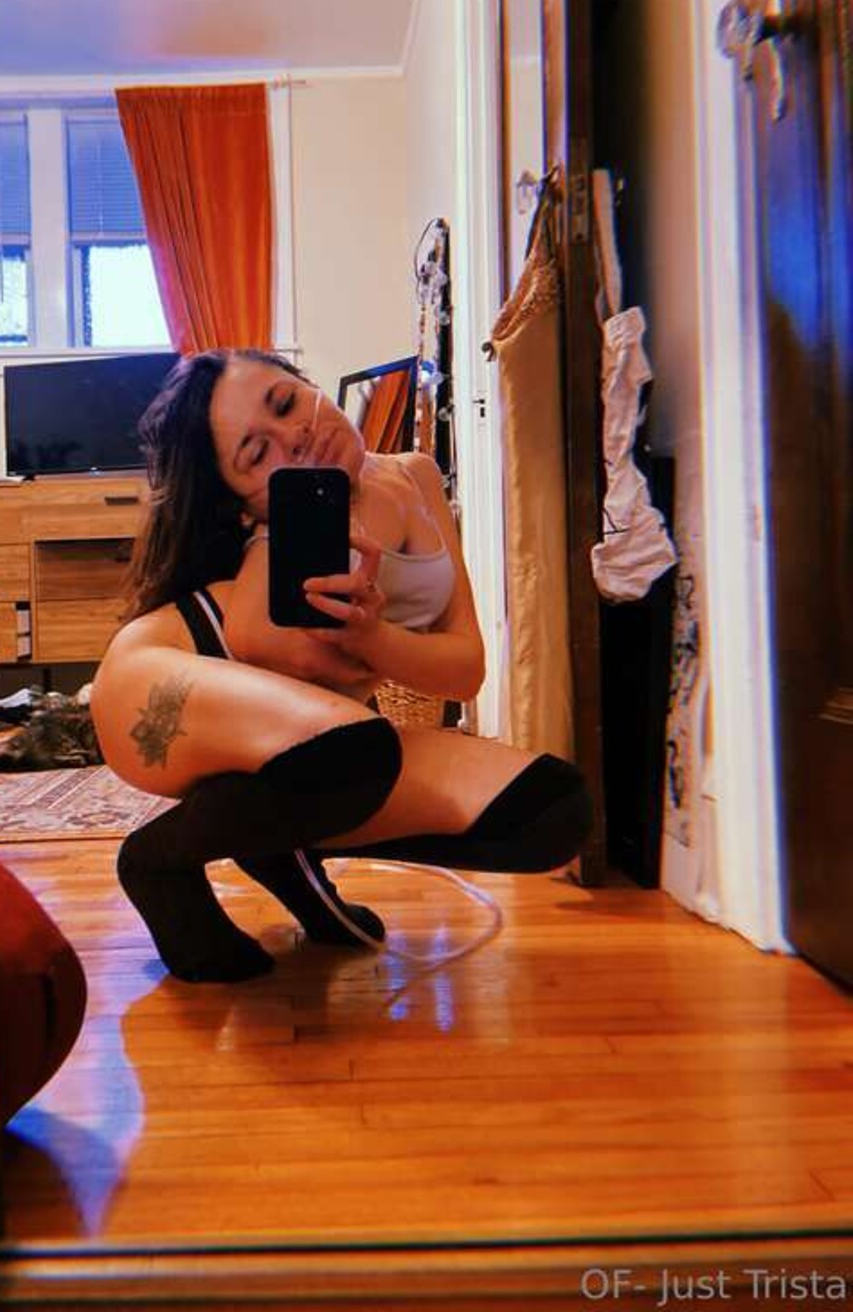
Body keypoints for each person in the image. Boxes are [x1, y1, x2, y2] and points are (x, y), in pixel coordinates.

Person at [91, 349, 591, 982]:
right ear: (246, 506)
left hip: (316, 743)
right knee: (350, 753)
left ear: (309, 385)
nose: (295, 436)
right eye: (258, 454)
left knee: (552, 809)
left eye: (286, 402)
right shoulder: (277, 537)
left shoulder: (416, 475)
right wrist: (352, 627)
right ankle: (158, 862)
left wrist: (371, 635)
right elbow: (251, 636)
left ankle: (273, 845)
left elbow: (463, 670)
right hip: (155, 675)